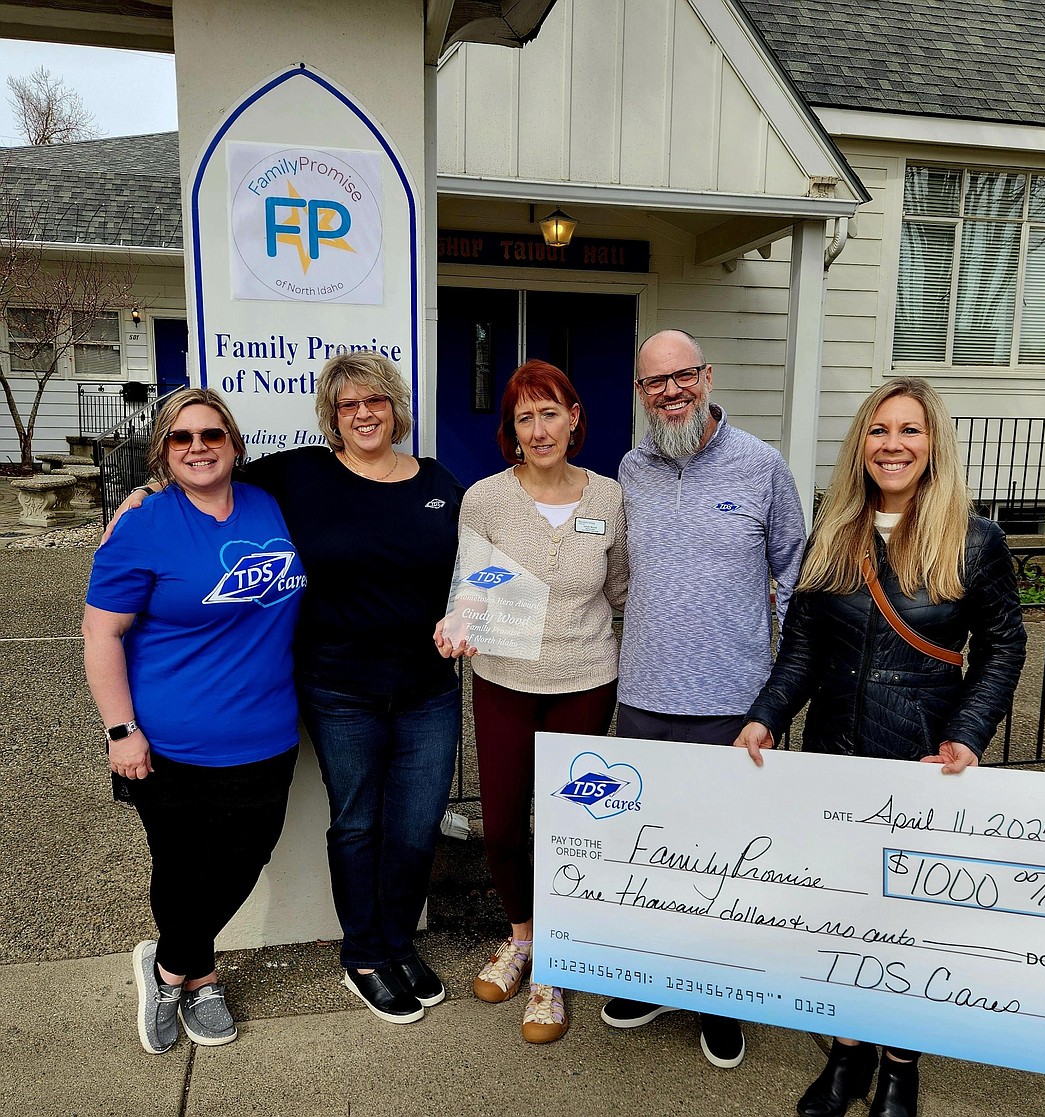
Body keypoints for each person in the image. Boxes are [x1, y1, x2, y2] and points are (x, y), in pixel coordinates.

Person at [110, 352, 463, 1027]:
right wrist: (144, 494)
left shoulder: (441, 483)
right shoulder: (300, 475)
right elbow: (209, 478)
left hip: (428, 691)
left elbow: (477, 571)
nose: (363, 413)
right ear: (332, 417)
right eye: (348, 404)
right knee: (358, 823)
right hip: (339, 691)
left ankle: (397, 942)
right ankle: (364, 955)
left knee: (416, 827)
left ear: (395, 407)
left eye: (375, 401)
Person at [733, 376, 1027, 1117]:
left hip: (921, 760)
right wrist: (766, 715)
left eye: (910, 431)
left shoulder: (975, 537)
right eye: (879, 430)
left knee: (909, 925)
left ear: (933, 445)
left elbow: (1002, 647)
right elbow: (800, 646)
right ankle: (848, 1058)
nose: (893, 444)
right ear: (860, 443)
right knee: (845, 915)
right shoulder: (836, 526)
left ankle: (900, 1065)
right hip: (835, 760)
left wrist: (966, 735)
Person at [600, 328, 806, 1069]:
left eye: (683, 375)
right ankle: (656, 978)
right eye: (656, 381)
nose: (672, 391)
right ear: (641, 392)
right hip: (644, 696)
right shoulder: (631, 467)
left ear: (707, 375)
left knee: (725, 860)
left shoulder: (762, 467)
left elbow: (797, 576)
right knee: (651, 855)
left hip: (732, 703)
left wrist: (777, 699)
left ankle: (720, 997)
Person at [83, 388, 305, 1054]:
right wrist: (121, 730)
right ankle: (201, 975)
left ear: (235, 443)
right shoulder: (145, 523)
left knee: (243, 858)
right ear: (164, 452)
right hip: (171, 741)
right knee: (181, 869)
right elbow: (100, 633)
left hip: (268, 732)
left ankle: (167, 966)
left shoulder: (268, 503)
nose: (198, 446)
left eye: (212, 434)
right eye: (181, 438)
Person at [435, 360, 628, 1044]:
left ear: (575, 417)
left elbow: (624, 591)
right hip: (505, 681)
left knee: (571, 825)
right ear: (510, 430)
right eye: (525, 417)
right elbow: (474, 582)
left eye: (550, 412)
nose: (539, 429)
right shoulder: (485, 499)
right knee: (507, 824)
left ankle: (556, 963)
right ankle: (521, 937)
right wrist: (460, 617)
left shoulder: (610, 496)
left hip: (586, 680)